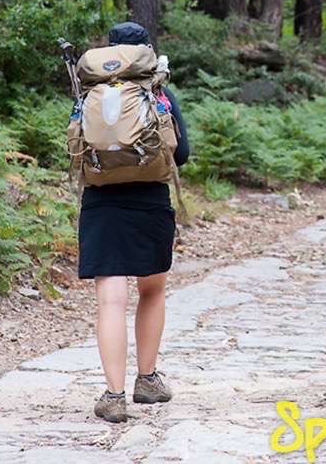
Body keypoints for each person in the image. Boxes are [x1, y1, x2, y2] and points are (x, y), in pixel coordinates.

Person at [77, 21, 190, 424]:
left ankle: (113, 395)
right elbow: (182, 154)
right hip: (149, 201)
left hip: (101, 202)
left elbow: (75, 147)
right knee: (152, 291)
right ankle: (147, 379)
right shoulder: (158, 93)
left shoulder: (88, 93)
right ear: (144, 51)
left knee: (110, 299)